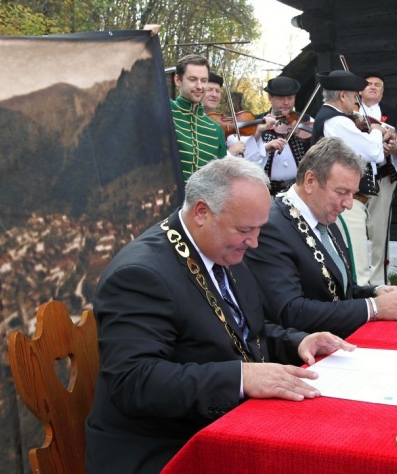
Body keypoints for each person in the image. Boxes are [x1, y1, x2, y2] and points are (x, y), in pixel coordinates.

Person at [85, 157, 355, 473]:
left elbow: (245, 332)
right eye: (245, 229)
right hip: (163, 448)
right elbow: (135, 381)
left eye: (259, 229)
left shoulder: (224, 249)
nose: (254, 242)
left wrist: (298, 342)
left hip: (223, 424)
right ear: (202, 212)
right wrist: (241, 377)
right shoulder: (140, 275)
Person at [244, 137, 397, 338]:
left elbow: (339, 292)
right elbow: (289, 312)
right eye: (342, 192)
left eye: (353, 194)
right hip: (302, 358)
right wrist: (373, 307)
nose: (349, 204)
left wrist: (376, 291)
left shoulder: (323, 215)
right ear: (310, 181)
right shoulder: (272, 227)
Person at [311, 70, 393, 285]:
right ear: (343, 96)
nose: (357, 103)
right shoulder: (337, 121)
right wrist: (375, 130)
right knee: (357, 266)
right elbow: (374, 152)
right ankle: (364, 310)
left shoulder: (336, 119)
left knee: (355, 260)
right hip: (345, 203)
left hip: (348, 201)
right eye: (355, 97)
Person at [359, 72, 397, 285]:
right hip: (352, 179)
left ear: (382, 93)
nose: (373, 87)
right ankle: (356, 279)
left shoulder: (393, 114)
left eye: (378, 85)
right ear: (359, 91)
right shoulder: (350, 113)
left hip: (381, 178)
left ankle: (378, 281)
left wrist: (395, 148)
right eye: (368, 84)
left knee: (379, 230)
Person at [170, 54, 227, 180]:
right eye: (192, 79)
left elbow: (218, 180)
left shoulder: (216, 130)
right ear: (178, 80)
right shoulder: (165, 110)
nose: (199, 86)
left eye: (204, 80)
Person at [253, 76, 313, 195]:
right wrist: (264, 146)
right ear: (270, 98)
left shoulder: (305, 120)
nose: (286, 103)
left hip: (299, 191)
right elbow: (246, 155)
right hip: (266, 192)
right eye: (281, 98)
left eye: (290, 98)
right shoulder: (257, 122)